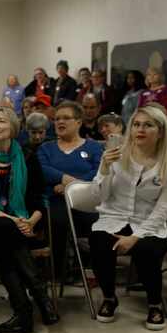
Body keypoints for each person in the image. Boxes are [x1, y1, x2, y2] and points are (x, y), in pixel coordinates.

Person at [89, 105, 167, 330]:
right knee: (99, 242)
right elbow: (99, 197)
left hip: (150, 225)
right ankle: (109, 297)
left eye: (148, 125)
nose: (140, 129)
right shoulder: (117, 157)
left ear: (160, 132)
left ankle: (154, 303)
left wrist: (135, 237)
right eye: (136, 125)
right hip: (114, 218)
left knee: (146, 249)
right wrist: (103, 168)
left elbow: (164, 210)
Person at [0, 107, 59, 333]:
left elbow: (39, 198)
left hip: (27, 223)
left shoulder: (28, 157)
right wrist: (15, 220)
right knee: (5, 229)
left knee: (6, 251)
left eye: (0, 121)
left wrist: (30, 221)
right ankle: (41, 296)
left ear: (12, 127)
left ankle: (23, 314)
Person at [37, 101, 103, 280]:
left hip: (87, 199)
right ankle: (58, 271)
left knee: (98, 224)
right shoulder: (46, 147)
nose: (60, 122)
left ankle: (92, 270)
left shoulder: (94, 147)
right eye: (57, 119)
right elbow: (43, 170)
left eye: (66, 118)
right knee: (58, 221)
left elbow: (98, 171)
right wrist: (68, 180)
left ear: (79, 122)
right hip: (56, 200)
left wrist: (71, 186)